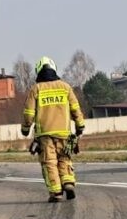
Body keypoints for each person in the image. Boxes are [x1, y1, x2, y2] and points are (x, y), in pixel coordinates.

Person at [21, 56, 86, 202]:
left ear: (38, 71)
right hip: (64, 133)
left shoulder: (36, 89)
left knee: (49, 162)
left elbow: (29, 113)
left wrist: (25, 128)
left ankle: (56, 192)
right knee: (64, 158)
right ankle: (68, 183)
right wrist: (80, 125)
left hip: (45, 135)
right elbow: (75, 108)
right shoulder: (65, 87)